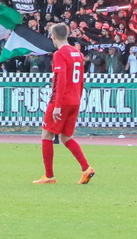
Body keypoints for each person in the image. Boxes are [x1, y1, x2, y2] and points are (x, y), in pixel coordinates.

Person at [34, 23, 95, 185]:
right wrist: (78, 99)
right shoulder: (77, 53)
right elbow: (81, 80)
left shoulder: (60, 54)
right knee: (66, 136)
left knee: (46, 135)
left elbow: (60, 80)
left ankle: (49, 176)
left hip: (61, 101)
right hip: (74, 99)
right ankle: (86, 168)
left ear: (53, 37)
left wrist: (58, 105)